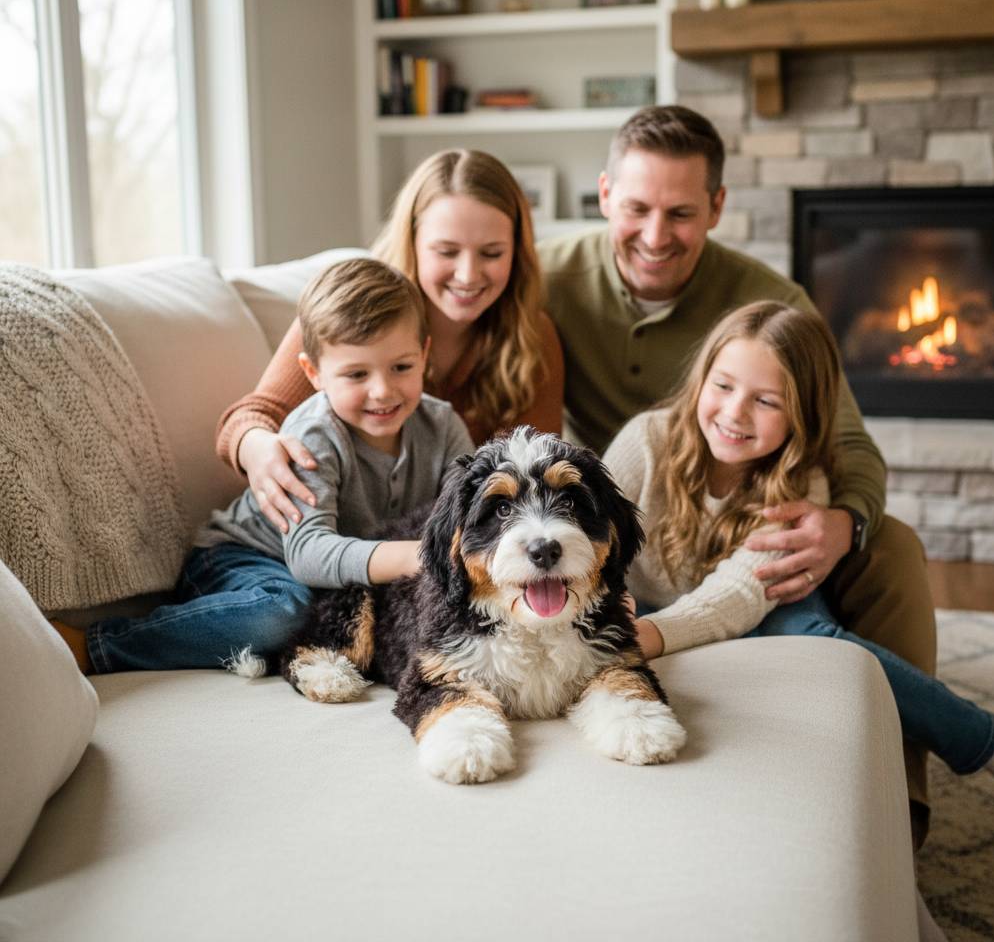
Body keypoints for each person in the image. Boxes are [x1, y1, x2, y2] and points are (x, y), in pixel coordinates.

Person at [536, 105, 938, 845]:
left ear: (717, 207)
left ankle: (898, 807)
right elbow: (392, 293)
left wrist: (843, 522)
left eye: (681, 213)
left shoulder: (772, 302)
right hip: (631, 521)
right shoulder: (544, 276)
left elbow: (850, 444)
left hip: (745, 526)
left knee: (895, 548)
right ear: (603, 195)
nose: (656, 235)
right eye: (637, 209)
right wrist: (257, 424)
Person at [604, 300, 994, 810]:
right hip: (650, 605)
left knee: (820, 644)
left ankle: (990, 740)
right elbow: (598, 544)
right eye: (723, 386)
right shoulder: (646, 440)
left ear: (803, 413)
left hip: (759, 605)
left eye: (767, 401)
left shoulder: (802, 483)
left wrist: (652, 635)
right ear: (701, 380)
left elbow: (738, 596)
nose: (735, 412)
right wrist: (617, 605)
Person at [52, 259, 474, 674]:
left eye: (401, 367)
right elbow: (309, 555)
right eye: (356, 374)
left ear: (424, 354)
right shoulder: (314, 436)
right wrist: (412, 556)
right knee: (284, 612)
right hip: (240, 559)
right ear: (314, 372)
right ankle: (100, 646)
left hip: (334, 578)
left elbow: (466, 520)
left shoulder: (442, 426)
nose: (382, 390)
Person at [216, 148, 564, 535]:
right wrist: (257, 447)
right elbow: (252, 416)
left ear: (517, 250)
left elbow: (537, 474)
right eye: (446, 251)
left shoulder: (534, 336)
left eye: (492, 253)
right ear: (412, 241)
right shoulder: (348, 315)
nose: (468, 274)